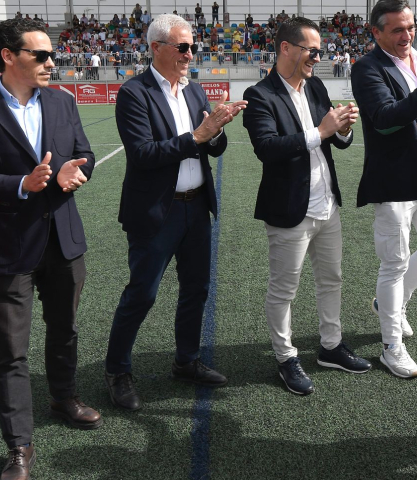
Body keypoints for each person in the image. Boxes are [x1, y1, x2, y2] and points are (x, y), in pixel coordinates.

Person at [0, 18, 100, 480]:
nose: (52, 63)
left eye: (52, 54)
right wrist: (20, 184)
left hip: (64, 241)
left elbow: (84, 154)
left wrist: (78, 171)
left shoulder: (61, 101)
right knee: (11, 351)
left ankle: (64, 396)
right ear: (9, 57)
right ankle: (18, 446)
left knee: (65, 329)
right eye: (42, 55)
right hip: (8, 249)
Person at [105, 14, 247, 411]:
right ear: (156, 48)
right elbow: (144, 155)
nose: (189, 54)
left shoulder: (195, 92)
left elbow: (213, 148)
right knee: (142, 294)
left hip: (196, 208)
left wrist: (216, 131)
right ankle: (117, 370)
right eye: (182, 47)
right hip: (156, 213)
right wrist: (198, 136)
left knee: (196, 290)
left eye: (192, 47)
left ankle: (185, 362)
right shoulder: (134, 93)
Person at [241, 17, 370, 396]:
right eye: (312, 50)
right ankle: (286, 358)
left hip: (327, 204)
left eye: (319, 50)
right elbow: (267, 149)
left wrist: (343, 129)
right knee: (284, 289)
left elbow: (334, 140)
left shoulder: (315, 87)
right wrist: (323, 131)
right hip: (288, 209)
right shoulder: (260, 95)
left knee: (332, 280)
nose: (318, 57)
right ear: (286, 48)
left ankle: (331, 346)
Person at [351, 0, 417, 379]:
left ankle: (389, 305)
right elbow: (383, 119)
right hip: (395, 179)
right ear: (376, 32)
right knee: (394, 262)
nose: (406, 35)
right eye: (397, 29)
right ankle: (391, 346)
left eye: (410, 27)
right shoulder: (366, 68)